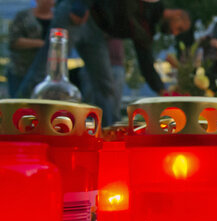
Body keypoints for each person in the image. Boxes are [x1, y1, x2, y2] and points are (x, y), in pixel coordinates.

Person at [16, 0, 190, 126]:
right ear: (177, 14)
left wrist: (162, 90)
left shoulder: (146, 24)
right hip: (79, 13)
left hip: (97, 32)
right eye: (179, 28)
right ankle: (14, 118)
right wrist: (80, 6)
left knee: (105, 84)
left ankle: (109, 131)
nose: (175, 33)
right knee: (46, 69)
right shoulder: (149, 9)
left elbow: (145, 58)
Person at [7, 0, 54, 98]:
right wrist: (41, 44)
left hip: (46, 72)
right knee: (19, 102)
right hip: (21, 70)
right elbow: (13, 41)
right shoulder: (24, 16)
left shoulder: (58, 18)